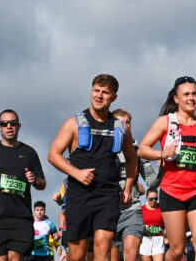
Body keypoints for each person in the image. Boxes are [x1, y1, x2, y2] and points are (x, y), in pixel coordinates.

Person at [137, 76, 196, 261]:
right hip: (173, 191)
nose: (191, 98)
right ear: (176, 99)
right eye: (186, 94)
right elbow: (142, 150)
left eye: (195, 94)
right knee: (177, 249)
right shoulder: (165, 122)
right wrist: (162, 154)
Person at [47, 74, 138, 261]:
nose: (99, 95)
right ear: (91, 92)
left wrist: (128, 188)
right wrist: (76, 173)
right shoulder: (74, 122)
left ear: (114, 97)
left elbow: (132, 159)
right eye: (96, 90)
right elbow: (53, 154)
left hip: (107, 195)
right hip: (79, 196)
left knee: (103, 248)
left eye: (105, 92)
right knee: (77, 255)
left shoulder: (120, 127)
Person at [0, 109, 46, 261]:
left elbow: (42, 183)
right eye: (4, 123)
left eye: (12, 123)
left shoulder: (29, 152)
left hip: (21, 219)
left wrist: (34, 180)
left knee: (15, 258)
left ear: (18, 126)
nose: (9, 126)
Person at [110, 108, 161, 261]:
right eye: (120, 122)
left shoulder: (139, 152)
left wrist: (163, 167)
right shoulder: (104, 150)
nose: (125, 126)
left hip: (132, 209)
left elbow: (151, 182)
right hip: (109, 210)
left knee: (131, 254)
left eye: (128, 122)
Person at [140, 189, 165, 261]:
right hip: (145, 239)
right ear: (146, 198)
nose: (154, 201)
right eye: (151, 199)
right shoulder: (141, 209)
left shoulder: (162, 208)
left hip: (158, 239)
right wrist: (144, 227)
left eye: (156, 199)